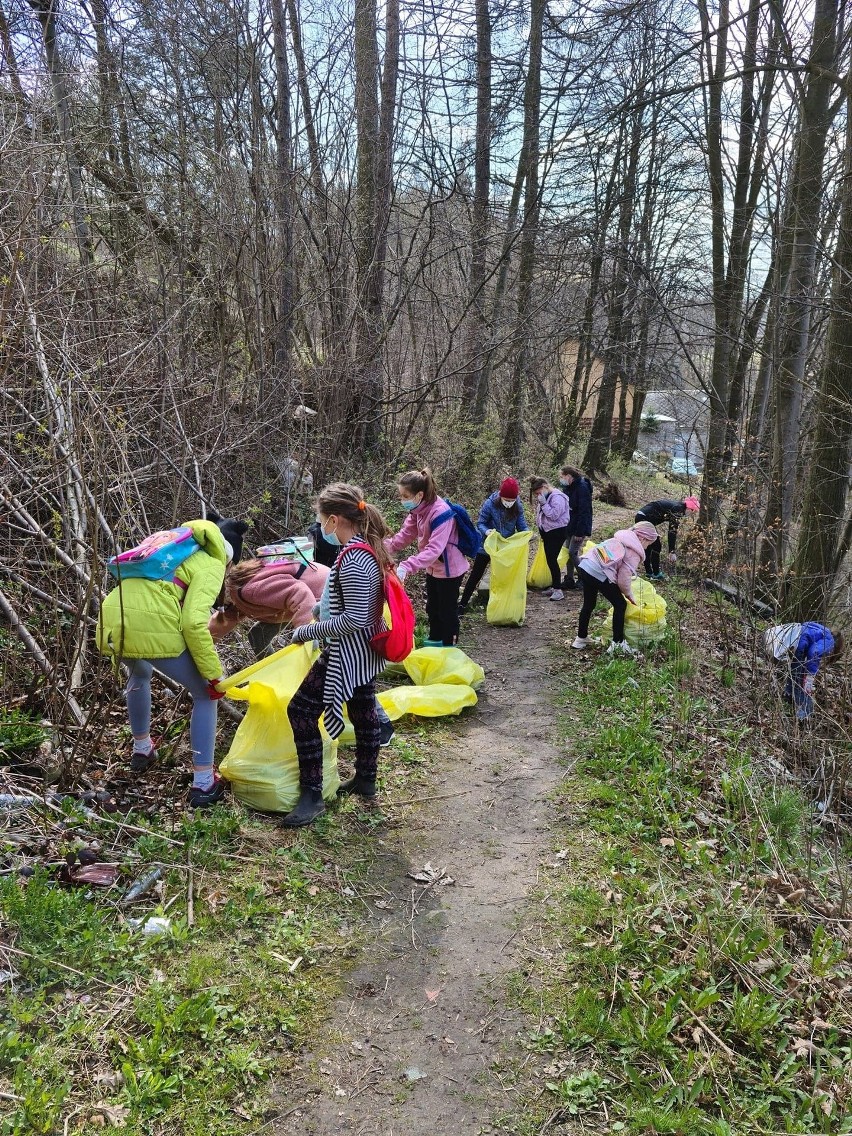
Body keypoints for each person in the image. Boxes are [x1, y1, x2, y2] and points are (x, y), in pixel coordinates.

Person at [96, 518, 233, 808]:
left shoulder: (170, 546)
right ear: (227, 556)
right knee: (205, 694)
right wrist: (213, 675)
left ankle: (142, 748)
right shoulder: (210, 562)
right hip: (149, 620)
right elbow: (195, 623)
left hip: (114, 616)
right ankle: (204, 783)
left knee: (140, 672)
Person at [284, 484, 391, 827]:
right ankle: (366, 778)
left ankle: (311, 794)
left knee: (300, 710)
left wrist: (308, 630)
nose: (320, 527)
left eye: (320, 519)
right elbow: (346, 602)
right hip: (363, 653)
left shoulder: (356, 558)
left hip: (348, 653)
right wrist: (320, 608)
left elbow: (356, 619)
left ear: (333, 519)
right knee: (362, 709)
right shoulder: (362, 550)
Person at [208, 556, 396, 745]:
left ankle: (381, 725)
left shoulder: (248, 590)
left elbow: (300, 593)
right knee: (259, 635)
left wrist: (307, 635)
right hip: (312, 599)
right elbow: (218, 626)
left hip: (326, 599)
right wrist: (199, 655)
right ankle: (281, 682)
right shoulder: (235, 595)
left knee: (340, 665)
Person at [385, 468, 469, 646]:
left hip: (450, 569)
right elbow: (404, 535)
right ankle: (435, 639)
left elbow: (434, 550)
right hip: (433, 567)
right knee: (432, 607)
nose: (402, 500)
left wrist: (407, 566)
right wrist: (383, 548)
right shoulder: (417, 510)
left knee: (447, 610)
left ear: (419, 494)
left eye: (405, 495)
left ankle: (449, 644)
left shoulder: (441, 512)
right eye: (401, 495)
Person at [571, 520, 659, 656]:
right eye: (648, 543)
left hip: (585, 566)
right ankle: (618, 644)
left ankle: (580, 639)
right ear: (642, 538)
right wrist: (629, 594)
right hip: (598, 572)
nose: (646, 547)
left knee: (589, 604)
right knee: (620, 605)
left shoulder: (621, 537)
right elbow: (623, 578)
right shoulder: (634, 550)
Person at [458, 477, 528, 612]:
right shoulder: (490, 504)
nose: (509, 503)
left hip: (505, 547)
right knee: (476, 574)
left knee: (505, 576)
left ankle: (505, 605)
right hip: (487, 544)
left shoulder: (517, 506)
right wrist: (487, 531)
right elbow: (480, 523)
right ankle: (463, 603)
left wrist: (526, 535)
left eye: (511, 500)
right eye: (506, 500)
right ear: (501, 496)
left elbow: (521, 526)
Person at [763, 623, 845, 723]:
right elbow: (814, 653)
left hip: (797, 643)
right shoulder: (829, 642)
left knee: (794, 676)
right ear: (835, 650)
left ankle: (788, 698)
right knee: (800, 684)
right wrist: (810, 677)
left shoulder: (822, 630)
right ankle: (804, 717)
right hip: (800, 646)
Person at [634, 496, 699, 579]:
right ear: (690, 508)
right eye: (693, 512)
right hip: (644, 518)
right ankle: (656, 574)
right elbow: (672, 531)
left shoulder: (678, 507)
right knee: (657, 546)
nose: (691, 514)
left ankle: (649, 572)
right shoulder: (678, 510)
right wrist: (672, 551)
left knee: (649, 545)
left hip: (642, 516)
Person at [530, 476, 571, 600]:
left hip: (557, 532)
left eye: (538, 492)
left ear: (545, 487)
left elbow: (553, 515)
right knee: (550, 560)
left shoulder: (557, 497)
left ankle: (558, 590)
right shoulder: (547, 496)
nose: (538, 496)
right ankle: (555, 586)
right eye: (536, 494)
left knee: (552, 561)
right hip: (548, 532)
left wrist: (543, 504)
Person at [559, 466, 594, 590]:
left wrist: (580, 532)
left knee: (572, 552)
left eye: (562, 477)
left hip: (579, 526)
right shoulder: (568, 488)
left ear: (569, 476)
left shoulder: (582, 488)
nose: (561, 479)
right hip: (570, 524)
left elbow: (584, 512)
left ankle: (584, 578)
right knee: (568, 552)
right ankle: (569, 579)